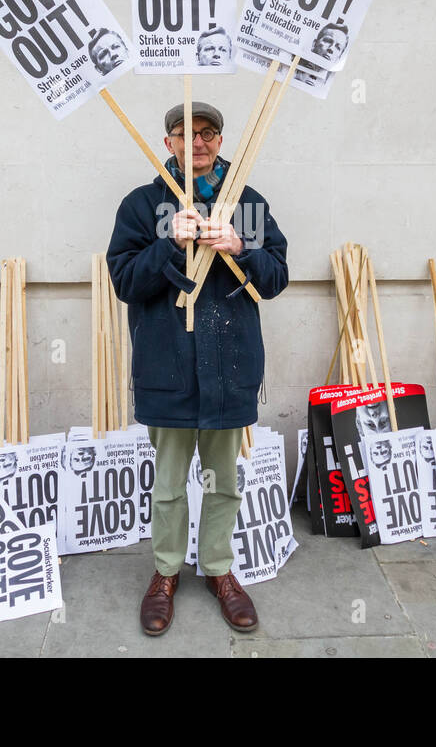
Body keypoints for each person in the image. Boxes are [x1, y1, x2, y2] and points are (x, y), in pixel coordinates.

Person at [107, 100, 288, 637]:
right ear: (170, 144)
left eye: (209, 133)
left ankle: (218, 570)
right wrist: (170, 242)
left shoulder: (247, 204)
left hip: (230, 367)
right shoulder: (142, 206)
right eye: (186, 134)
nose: (199, 143)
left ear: (221, 140)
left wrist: (240, 248)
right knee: (167, 484)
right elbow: (124, 282)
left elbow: (275, 277)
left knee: (223, 482)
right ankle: (165, 573)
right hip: (169, 369)